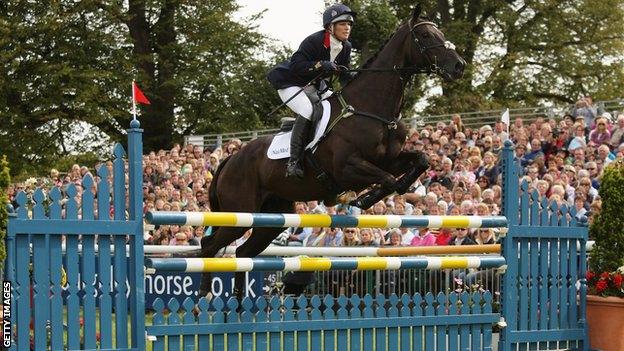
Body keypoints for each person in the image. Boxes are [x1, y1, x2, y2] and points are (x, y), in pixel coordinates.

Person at [267, 3, 356, 178]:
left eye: (349, 24)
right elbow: (296, 67)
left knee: (339, 105)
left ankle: (297, 129)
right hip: (291, 83)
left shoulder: (346, 47)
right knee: (307, 110)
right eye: (343, 24)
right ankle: (294, 162)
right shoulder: (314, 41)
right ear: (330, 27)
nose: (347, 28)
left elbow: (344, 74)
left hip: (315, 86)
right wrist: (320, 65)